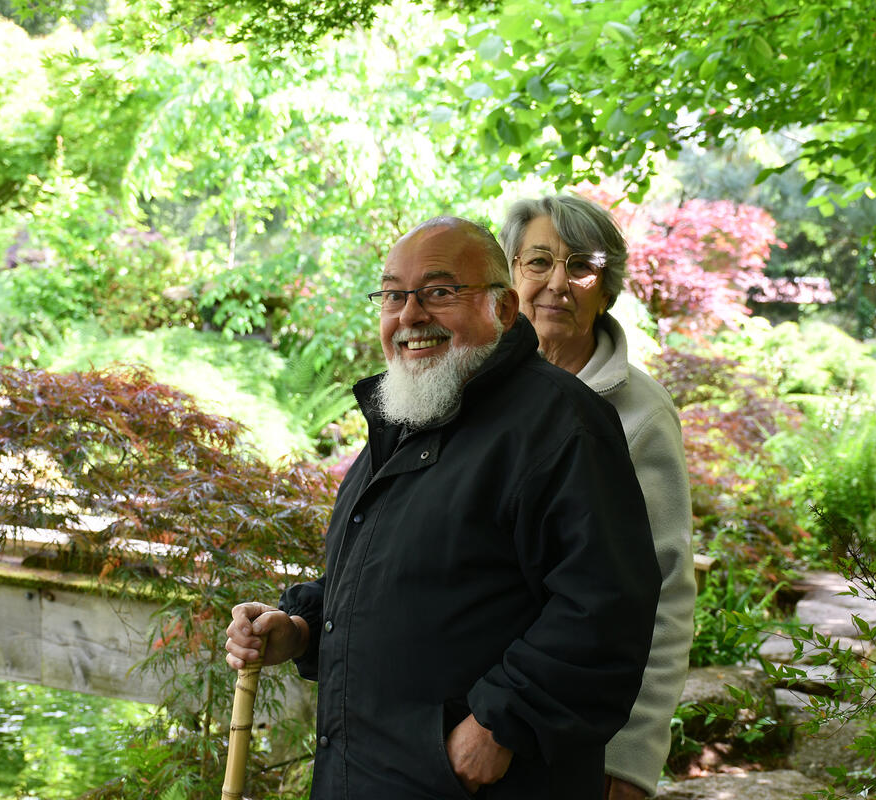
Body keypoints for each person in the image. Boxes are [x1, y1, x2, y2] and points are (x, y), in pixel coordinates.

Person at [226, 216, 661, 800]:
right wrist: (303, 628)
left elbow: (606, 605)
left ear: (503, 310)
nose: (410, 315)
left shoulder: (561, 424)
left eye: (438, 293)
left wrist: (499, 724)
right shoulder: (407, 416)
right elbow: (404, 575)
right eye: (394, 295)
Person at [499, 195, 695, 800]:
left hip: (573, 740)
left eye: (581, 265)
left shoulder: (639, 416)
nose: (558, 282)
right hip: (471, 724)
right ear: (510, 277)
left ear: (605, 290)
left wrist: (632, 756)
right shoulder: (475, 392)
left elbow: (663, 591)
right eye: (539, 262)